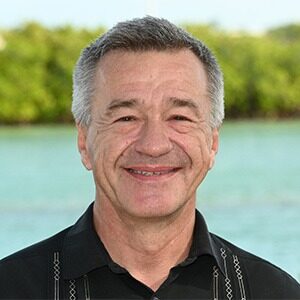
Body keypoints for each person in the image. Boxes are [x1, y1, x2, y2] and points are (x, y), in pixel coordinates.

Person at [0, 16, 299, 300]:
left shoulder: (275, 292)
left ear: (212, 143)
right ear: (84, 141)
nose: (153, 145)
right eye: (127, 118)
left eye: (179, 117)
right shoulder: (11, 288)